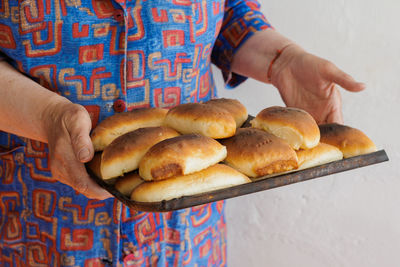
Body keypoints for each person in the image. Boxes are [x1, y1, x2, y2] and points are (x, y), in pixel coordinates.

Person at [0, 0, 364, 266]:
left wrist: (281, 59)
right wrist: (48, 115)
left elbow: (230, 10)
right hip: (40, 226)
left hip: (186, 231)